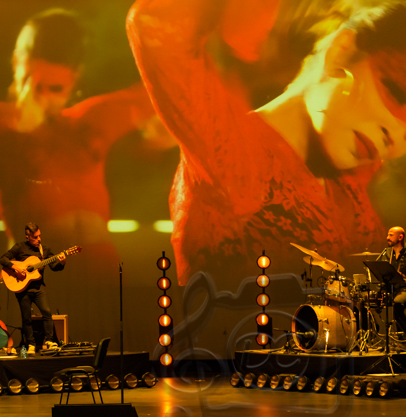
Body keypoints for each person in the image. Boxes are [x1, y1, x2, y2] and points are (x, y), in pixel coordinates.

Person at [126, 0, 406, 285]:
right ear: (342, 51)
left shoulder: (357, 182)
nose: (394, 137)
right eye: (395, 92)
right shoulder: (230, 146)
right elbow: (153, 22)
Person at [0, 8, 175, 260]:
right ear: (16, 64)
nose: (43, 97)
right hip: (38, 276)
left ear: (74, 80)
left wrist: (172, 126)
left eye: (55, 88)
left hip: (103, 275)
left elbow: (165, 92)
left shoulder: (86, 120)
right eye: (33, 83)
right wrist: (23, 127)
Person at [0, 223, 66, 353]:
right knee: (26, 317)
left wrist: (62, 262)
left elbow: (54, 267)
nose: (39, 239)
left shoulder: (45, 250)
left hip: (39, 288)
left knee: (46, 312)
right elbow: (3, 259)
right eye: (35, 237)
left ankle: (49, 341)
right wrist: (16, 267)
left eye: (39, 236)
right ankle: (31, 344)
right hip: (22, 289)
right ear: (27, 237)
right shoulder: (20, 247)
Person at [380, 226, 406, 332]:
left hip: (404, 288)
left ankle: (402, 337)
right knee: (366, 300)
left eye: (391, 235)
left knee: (398, 302)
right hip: (392, 289)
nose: (387, 237)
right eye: (387, 235)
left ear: (400, 237)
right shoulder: (386, 254)